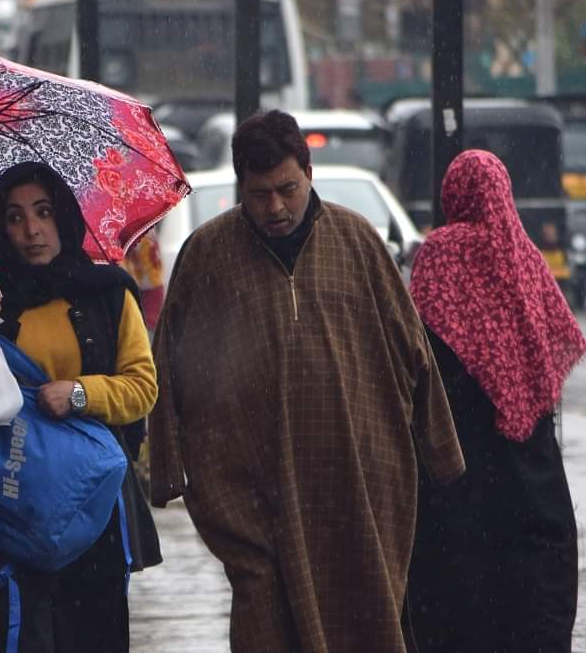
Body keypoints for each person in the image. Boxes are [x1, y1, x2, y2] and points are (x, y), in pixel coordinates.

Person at [148, 110, 465, 653]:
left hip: (358, 480)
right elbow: (169, 368)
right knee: (265, 623)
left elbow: (416, 353)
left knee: (364, 614)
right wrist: (168, 472)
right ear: (241, 189)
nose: (275, 207)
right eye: (259, 194)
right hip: (248, 493)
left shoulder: (358, 241)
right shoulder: (208, 254)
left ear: (309, 173)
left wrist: (442, 455)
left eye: (287, 190)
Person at [0, 161, 161, 652]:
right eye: (16, 217)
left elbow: (141, 387)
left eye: (43, 213)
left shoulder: (108, 294)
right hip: (11, 506)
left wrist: (81, 394)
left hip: (94, 509)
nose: (32, 230)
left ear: (64, 217)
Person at [406, 150, 583, 652]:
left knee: (459, 612)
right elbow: (550, 351)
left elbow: (419, 354)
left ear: (451, 196)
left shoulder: (440, 254)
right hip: (530, 467)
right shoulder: (526, 258)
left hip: (458, 467)